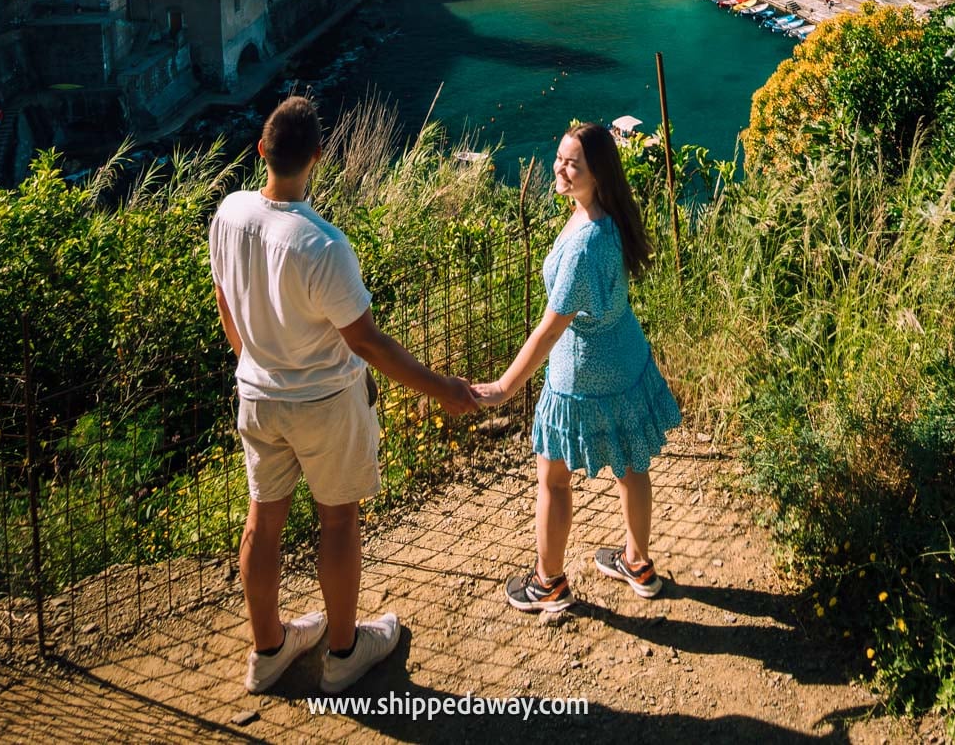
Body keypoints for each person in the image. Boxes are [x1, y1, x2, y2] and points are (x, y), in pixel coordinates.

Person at [210, 96, 476, 695]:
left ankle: (268, 650)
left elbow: (226, 299)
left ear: (261, 150)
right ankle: (343, 652)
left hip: (257, 394)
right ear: (318, 158)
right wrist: (445, 390)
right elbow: (368, 344)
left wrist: (253, 360)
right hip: (325, 402)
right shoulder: (322, 245)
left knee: (264, 518)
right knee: (338, 522)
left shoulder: (228, 213)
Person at [473, 123, 681, 611]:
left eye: (574, 164)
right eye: (560, 157)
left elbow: (550, 329)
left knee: (553, 479)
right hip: (625, 358)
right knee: (632, 466)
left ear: (597, 173)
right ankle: (638, 563)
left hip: (582, 375)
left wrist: (504, 387)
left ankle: (548, 583)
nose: (561, 169)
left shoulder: (585, 245)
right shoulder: (606, 216)